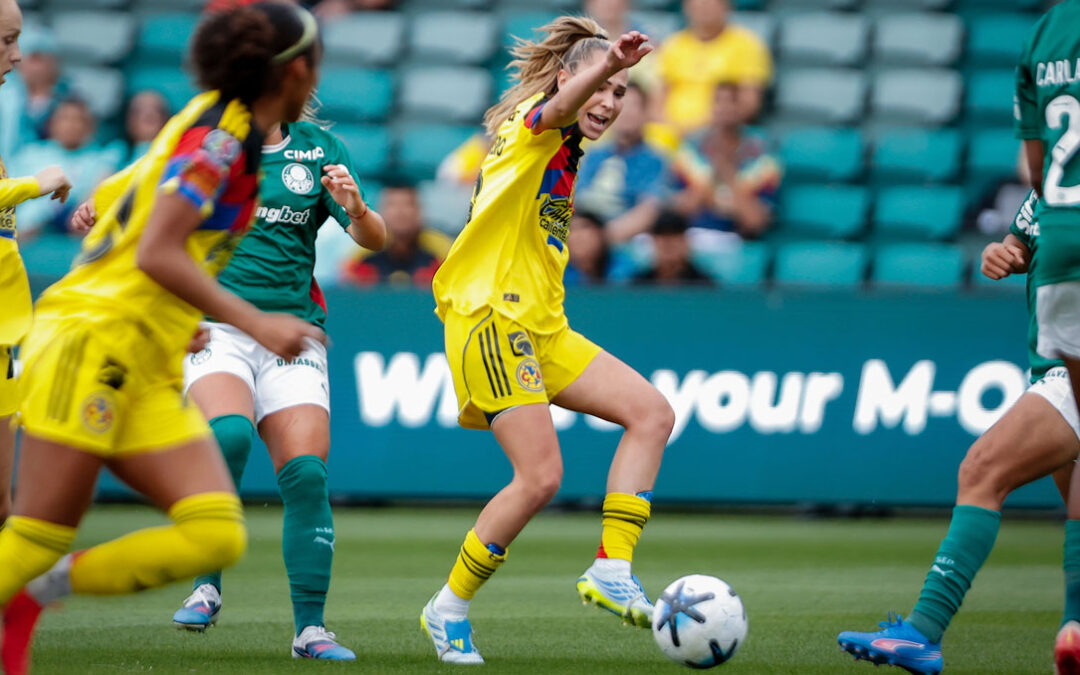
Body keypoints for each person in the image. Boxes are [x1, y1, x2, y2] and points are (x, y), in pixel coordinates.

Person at [0, 4, 324, 674]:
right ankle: (29, 581)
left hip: (142, 353)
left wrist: (175, 314)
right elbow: (156, 249)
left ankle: (35, 594)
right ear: (294, 71)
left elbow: (125, 200)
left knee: (215, 532)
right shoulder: (222, 145)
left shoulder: (212, 117)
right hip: (91, 342)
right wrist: (256, 321)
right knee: (35, 533)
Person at [422, 17, 673, 665]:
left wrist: (604, 69)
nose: (610, 103)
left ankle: (611, 569)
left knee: (652, 413)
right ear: (569, 79)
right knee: (539, 477)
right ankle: (448, 606)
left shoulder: (566, 150)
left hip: (541, 326)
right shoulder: (538, 121)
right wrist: (604, 64)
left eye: (621, 94)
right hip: (489, 316)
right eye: (604, 87)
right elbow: (560, 104)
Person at [162, 113, 385, 658]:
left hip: (293, 332)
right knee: (229, 435)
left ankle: (310, 631)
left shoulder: (321, 148)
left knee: (307, 473)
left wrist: (356, 208)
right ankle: (206, 583)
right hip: (218, 325)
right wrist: (105, 210)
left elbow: (373, 238)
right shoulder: (207, 143)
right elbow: (153, 206)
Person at [836, 190, 1080, 675]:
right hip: (1053, 360)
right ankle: (1074, 628)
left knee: (982, 469)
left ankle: (924, 631)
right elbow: (1020, 244)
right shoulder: (1054, 175)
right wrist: (1002, 254)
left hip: (1069, 366)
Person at [1011, 2, 1080, 672]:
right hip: (1058, 275)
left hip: (1067, 273)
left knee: (982, 472)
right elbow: (1048, 186)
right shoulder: (1046, 32)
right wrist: (1013, 238)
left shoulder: (1045, 35)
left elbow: (1045, 175)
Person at [0, 0, 72, 528]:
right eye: (6, 41)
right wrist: (31, 185)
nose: (18, 55)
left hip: (5, 335)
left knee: (4, 508)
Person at [669, 81, 780, 250]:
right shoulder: (690, 150)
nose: (724, 108)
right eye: (718, 101)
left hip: (740, 243)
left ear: (741, 107)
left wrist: (727, 172)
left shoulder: (763, 156)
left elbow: (754, 221)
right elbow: (679, 211)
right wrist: (714, 173)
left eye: (731, 101)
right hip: (691, 238)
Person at [655, 0, 771, 132]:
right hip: (671, 132)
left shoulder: (747, 45)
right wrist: (670, 127)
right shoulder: (673, 44)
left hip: (719, 132)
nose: (704, 8)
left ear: (726, 6)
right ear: (686, 8)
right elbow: (657, 100)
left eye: (710, 3)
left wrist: (697, 129)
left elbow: (749, 104)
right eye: (698, 4)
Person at [10, 96, 120, 235]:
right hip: (19, 235)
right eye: (64, 118)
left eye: (78, 120)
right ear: (51, 124)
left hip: (69, 237)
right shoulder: (29, 155)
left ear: (90, 126)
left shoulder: (102, 161)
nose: (70, 125)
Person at [576, 82, 666, 241]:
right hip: (581, 234)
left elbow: (648, 211)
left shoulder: (655, 160)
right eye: (621, 106)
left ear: (646, 113)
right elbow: (574, 198)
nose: (627, 113)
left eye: (634, 106)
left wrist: (598, 240)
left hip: (621, 244)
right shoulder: (593, 154)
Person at [340, 181, 448, 287]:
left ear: (419, 210)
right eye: (392, 205)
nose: (400, 212)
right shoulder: (365, 252)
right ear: (380, 211)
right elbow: (348, 282)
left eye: (408, 204)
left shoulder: (441, 251)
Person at [633, 210, 711, 285]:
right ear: (653, 241)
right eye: (662, 235)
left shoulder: (704, 285)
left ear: (686, 241)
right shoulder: (639, 285)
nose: (668, 242)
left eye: (675, 235)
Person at [121, 90, 170, 164]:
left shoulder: (180, 157)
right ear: (128, 119)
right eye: (139, 111)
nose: (149, 114)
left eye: (156, 109)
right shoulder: (116, 156)